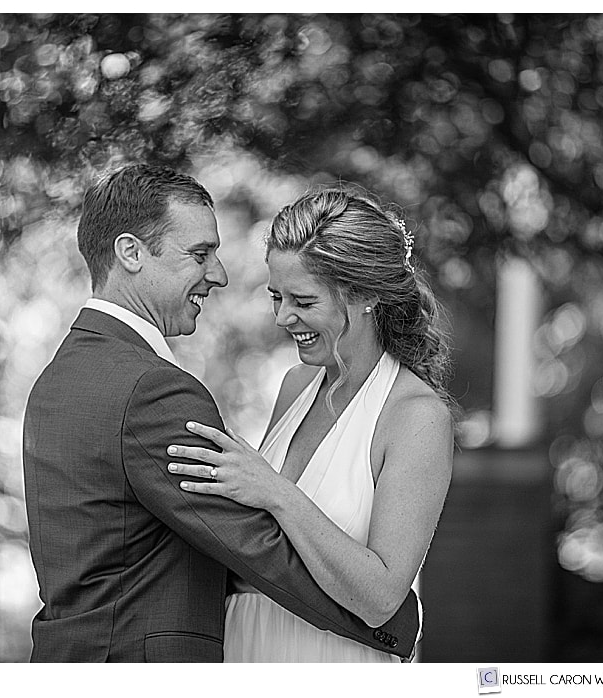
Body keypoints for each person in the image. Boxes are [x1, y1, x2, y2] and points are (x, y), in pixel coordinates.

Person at [21, 166, 421, 662]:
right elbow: (253, 548)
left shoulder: (58, 379)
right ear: (131, 253)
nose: (219, 274)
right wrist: (396, 619)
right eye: (199, 254)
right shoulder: (152, 390)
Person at [167, 188, 454, 662]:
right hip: (247, 654)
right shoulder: (295, 385)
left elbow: (381, 597)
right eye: (276, 297)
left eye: (302, 300)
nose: (283, 317)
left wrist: (274, 490)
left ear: (363, 295)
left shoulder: (416, 415)